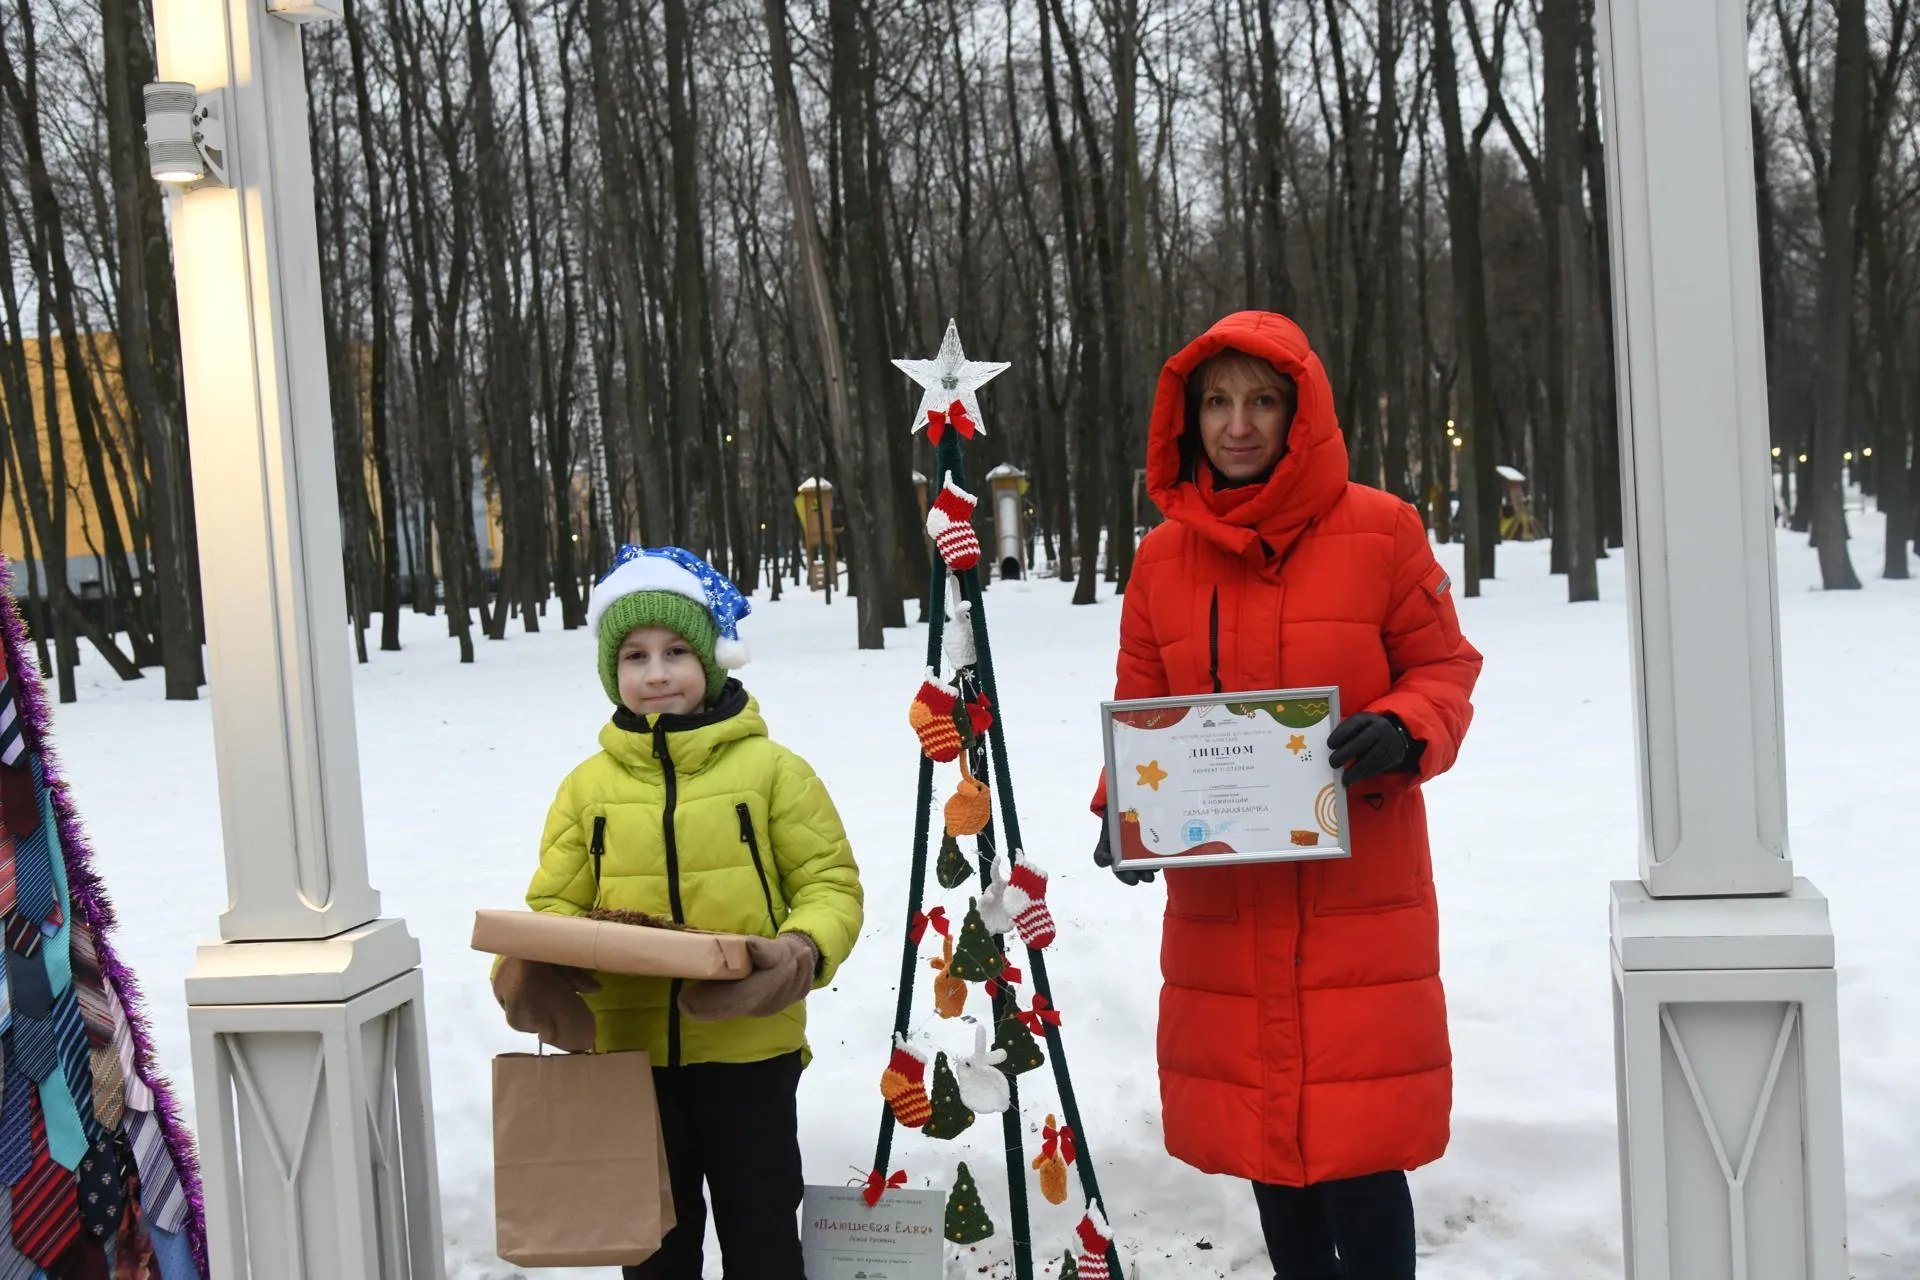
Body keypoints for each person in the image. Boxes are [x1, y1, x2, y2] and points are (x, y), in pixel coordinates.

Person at [1091, 312, 1481, 1279]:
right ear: (1188, 420)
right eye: (1217, 402)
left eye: (1262, 400)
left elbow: (1444, 666)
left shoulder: (1383, 531)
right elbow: (1144, 703)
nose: (1238, 424)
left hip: (1357, 892)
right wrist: (1123, 813)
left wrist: (1402, 728)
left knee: (1359, 1142)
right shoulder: (1160, 560)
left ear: (1299, 412)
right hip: (1229, 895)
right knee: (1270, 1139)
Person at [493, 545, 863, 1280]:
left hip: (751, 1053)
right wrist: (531, 961)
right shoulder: (585, 789)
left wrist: (797, 953)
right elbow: (554, 905)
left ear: (712, 662)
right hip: (630, 1061)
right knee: (655, 1248)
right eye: (634, 656)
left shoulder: (774, 773)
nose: (655, 673)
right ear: (612, 671)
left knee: (761, 1233)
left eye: (676, 651)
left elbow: (831, 886)